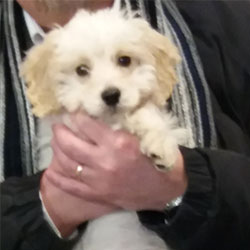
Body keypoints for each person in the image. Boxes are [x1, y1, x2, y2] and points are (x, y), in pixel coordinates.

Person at [1, 0, 250, 250]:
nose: (109, 84)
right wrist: (47, 207)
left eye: (124, 61)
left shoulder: (227, 21)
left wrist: (186, 185)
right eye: (82, 70)